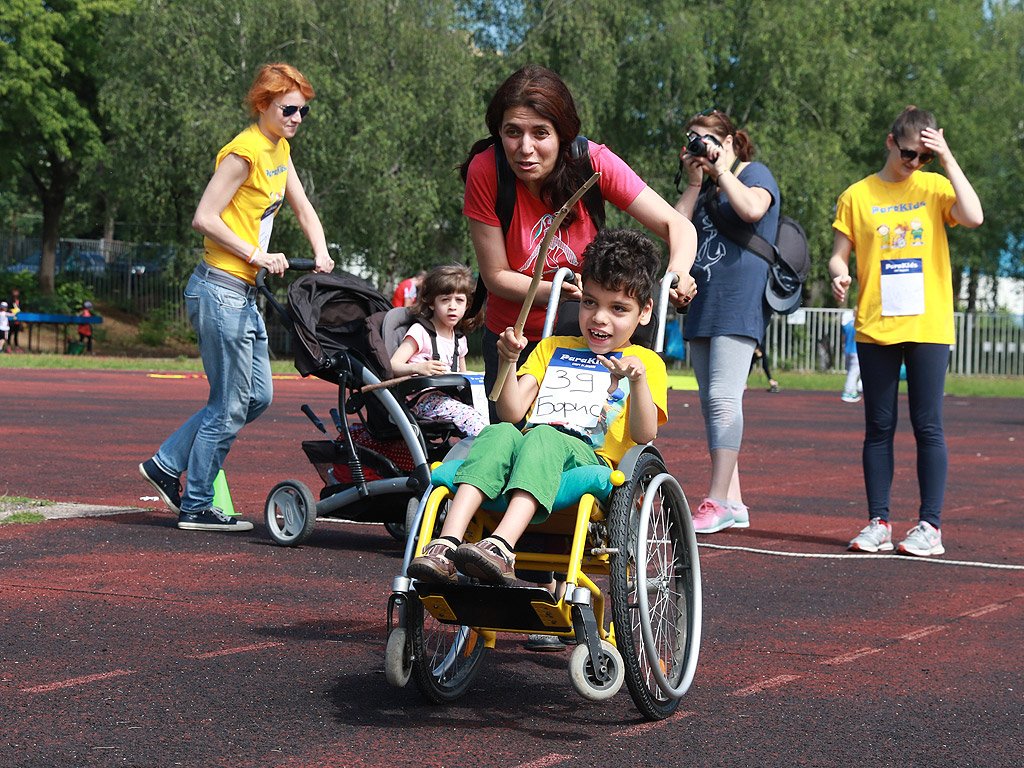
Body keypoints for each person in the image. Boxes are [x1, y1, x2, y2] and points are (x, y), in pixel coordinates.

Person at [407, 228, 667, 587]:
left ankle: (502, 545)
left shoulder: (645, 362)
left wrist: (635, 382)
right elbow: (513, 412)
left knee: (543, 436)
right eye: (590, 303)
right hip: (530, 448)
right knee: (498, 430)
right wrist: (509, 361)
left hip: (590, 458)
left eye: (618, 308)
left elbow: (644, 435)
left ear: (644, 312)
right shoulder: (553, 348)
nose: (599, 318)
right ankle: (446, 544)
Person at [139, 62, 335, 532]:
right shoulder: (244, 152)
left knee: (258, 396)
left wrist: (322, 252)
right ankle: (197, 504)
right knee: (228, 403)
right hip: (219, 288)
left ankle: (167, 464)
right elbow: (205, 217)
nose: (297, 119)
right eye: (289, 109)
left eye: (303, 111)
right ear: (263, 105)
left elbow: (303, 207)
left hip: (243, 294)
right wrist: (258, 254)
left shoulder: (279, 150)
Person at [460, 65, 697, 422]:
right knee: (507, 441)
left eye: (540, 133)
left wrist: (677, 273)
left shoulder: (591, 162)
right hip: (516, 335)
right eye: (512, 132)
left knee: (577, 445)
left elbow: (676, 224)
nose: (525, 149)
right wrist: (561, 290)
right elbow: (495, 276)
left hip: (583, 334)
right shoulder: (487, 170)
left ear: (563, 135)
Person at [830, 106, 983, 557]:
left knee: (927, 425)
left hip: (929, 325)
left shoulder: (936, 188)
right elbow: (839, 254)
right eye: (911, 154)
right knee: (878, 426)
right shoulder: (857, 195)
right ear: (891, 141)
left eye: (926, 157)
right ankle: (878, 521)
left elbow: (973, 217)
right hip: (875, 324)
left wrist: (949, 158)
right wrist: (839, 273)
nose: (916, 164)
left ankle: (929, 527)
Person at [673, 109, 780, 534]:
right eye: (691, 142)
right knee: (709, 403)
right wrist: (697, 180)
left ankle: (717, 500)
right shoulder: (702, 188)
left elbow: (752, 210)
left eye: (705, 140)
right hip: (702, 298)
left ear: (730, 141)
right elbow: (676, 227)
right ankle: (733, 501)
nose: (698, 148)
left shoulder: (755, 172)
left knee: (722, 398)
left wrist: (721, 170)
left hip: (739, 300)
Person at [390, 264, 488, 438]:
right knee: (473, 419)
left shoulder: (459, 340)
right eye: (445, 300)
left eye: (459, 300)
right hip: (422, 401)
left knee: (491, 414)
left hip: (451, 399)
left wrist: (482, 375)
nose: (452, 306)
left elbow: (461, 375)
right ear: (432, 303)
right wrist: (417, 368)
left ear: (467, 306)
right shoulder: (420, 332)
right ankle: (487, 450)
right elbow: (392, 365)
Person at [840, 310, 862, 403]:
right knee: (853, 373)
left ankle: (853, 391)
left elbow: (843, 338)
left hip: (847, 350)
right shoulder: (860, 325)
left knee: (850, 372)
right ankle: (847, 392)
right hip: (856, 351)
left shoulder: (848, 324)